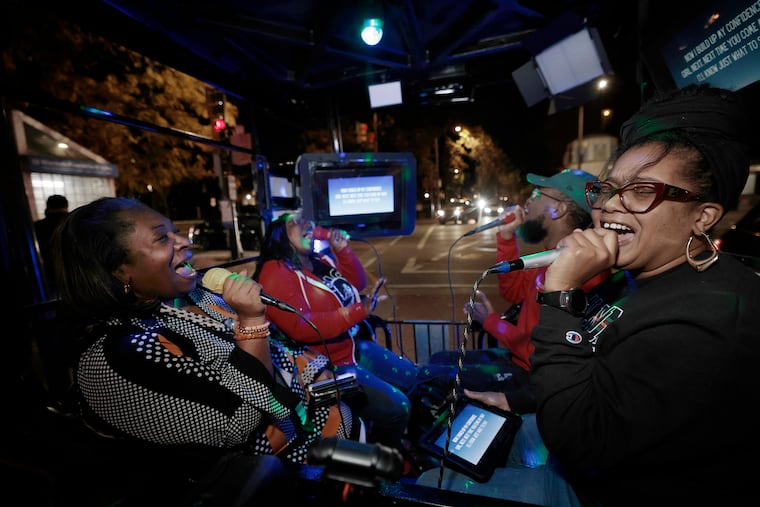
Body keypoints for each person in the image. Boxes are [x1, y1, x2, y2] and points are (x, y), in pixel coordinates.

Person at [419, 84, 760, 505]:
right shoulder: (631, 277)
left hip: (592, 480)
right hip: (568, 432)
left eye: (641, 191)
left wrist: (561, 293)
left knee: (431, 486)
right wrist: (514, 398)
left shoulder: (713, 318)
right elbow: (593, 371)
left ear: (702, 217)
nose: (611, 205)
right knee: (438, 459)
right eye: (610, 189)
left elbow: (579, 441)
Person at [53, 197, 362, 489]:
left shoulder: (193, 295)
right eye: (162, 238)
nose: (185, 242)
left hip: (319, 420)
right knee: (381, 462)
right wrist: (251, 322)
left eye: (175, 231)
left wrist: (315, 377)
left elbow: (278, 353)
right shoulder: (114, 357)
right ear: (120, 270)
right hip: (280, 472)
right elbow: (237, 423)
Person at [253, 213, 418, 450]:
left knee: (412, 376)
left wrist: (342, 251)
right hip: (329, 368)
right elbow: (302, 325)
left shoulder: (321, 260)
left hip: (351, 349)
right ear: (279, 235)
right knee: (398, 408)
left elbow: (357, 283)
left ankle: (405, 443)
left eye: (306, 220)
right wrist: (359, 310)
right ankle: (379, 468)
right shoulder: (275, 271)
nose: (306, 223)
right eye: (295, 222)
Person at [34, 194, 69, 296]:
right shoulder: (74, 224)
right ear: (66, 207)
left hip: (47, 277)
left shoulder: (37, 227)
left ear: (48, 207)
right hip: (75, 276)